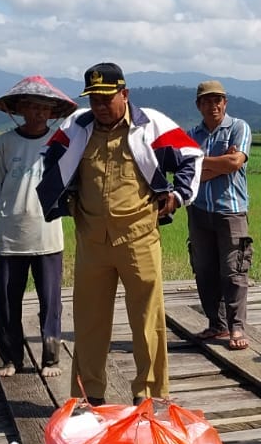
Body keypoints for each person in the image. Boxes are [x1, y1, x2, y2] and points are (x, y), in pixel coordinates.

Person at [37, 62, 203, 404]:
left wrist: (177, 196)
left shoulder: (150, 124)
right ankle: (89, 397)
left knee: (147, 322)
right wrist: (66, 199)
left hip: (138, 238)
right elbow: (49, 159)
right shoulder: (76, 126)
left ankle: (149, 397)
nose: (99, 105)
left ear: (124, 94)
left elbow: (192, 155)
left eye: (106, 97)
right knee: (89, 323)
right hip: (92, 240)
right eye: (94, 98)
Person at [0, 76, 77, 378]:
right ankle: (11, 358)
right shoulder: (5, 143)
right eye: (34, 107)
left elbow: (68, 184)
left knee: (51, 302)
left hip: (48, 232)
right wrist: (3, 216)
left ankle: (51, 358)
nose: (40, 113)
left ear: (52, 113)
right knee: (6, 300)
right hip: (11, 232)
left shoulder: (60, 144)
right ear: (21, 108)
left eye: (45, 108)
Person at [186, 80, 255, 351]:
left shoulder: (238, 127)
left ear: (225, 103)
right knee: (203, 270)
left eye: (217, 100)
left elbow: (236, 162)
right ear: (199, 105)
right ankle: (217, 324)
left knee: (233, 270)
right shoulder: (191, 135)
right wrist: (221, 165)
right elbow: (188, 172)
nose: (212, 105)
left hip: (231, 211)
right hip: (199, 209)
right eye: (206, 101)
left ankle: (236, 326)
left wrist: (204, 164)